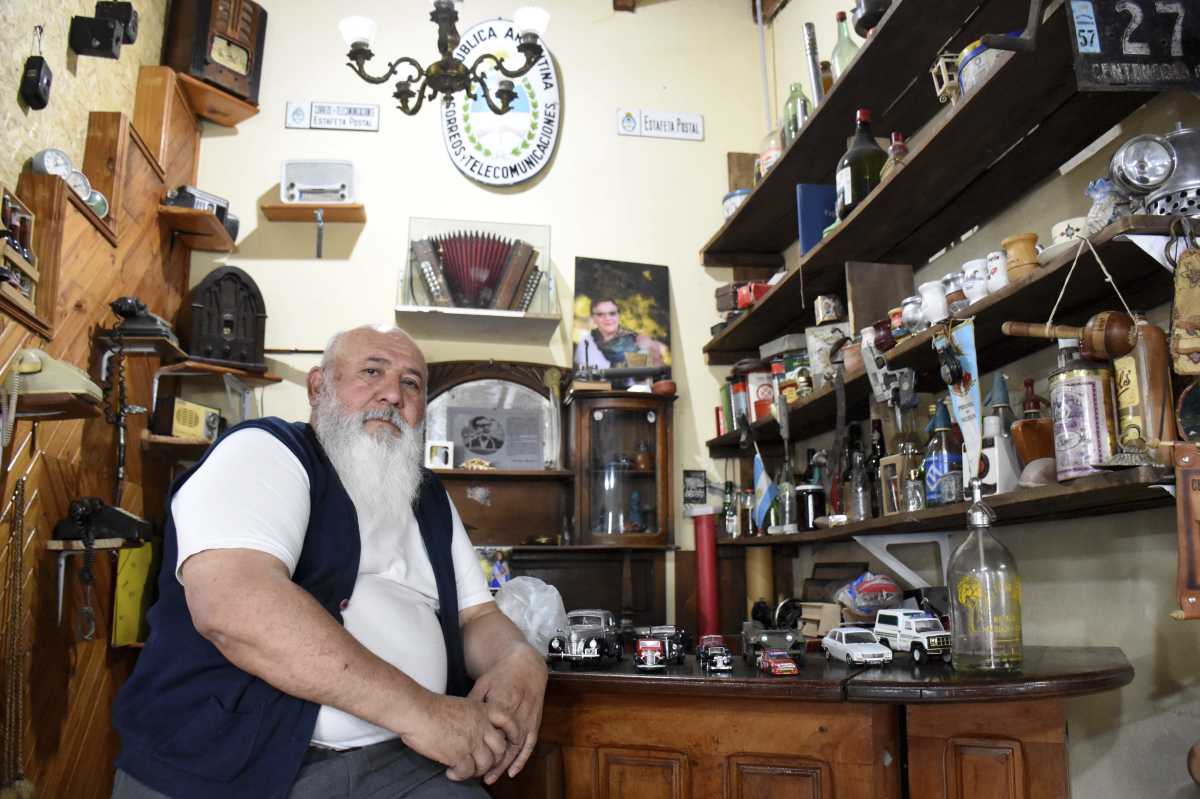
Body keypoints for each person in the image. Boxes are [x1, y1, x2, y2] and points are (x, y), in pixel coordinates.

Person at [111, 324, 548, 799]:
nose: (392, 394)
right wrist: (425, 713)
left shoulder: (430, 499)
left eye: (411, 383)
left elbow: (477, 615)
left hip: (404, 764)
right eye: (371, 371)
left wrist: (518, 657)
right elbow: (234, 608)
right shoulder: (264, 451)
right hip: (241, 764)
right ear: (318, 388)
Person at [572, 297, 664, 372]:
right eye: (600, 314)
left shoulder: (637, 340)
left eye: (612, 313)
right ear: (593, 318)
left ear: (618, 315)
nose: (608, 318)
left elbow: (655, 371)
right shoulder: (587, 343)